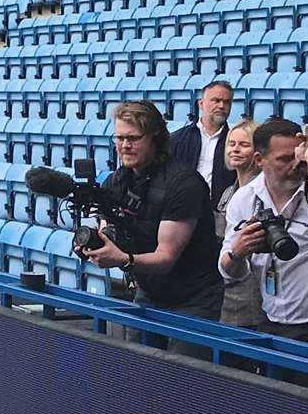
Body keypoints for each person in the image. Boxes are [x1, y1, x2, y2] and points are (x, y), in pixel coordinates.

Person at [80, 101, 222, 358]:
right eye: (120, 138)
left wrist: (124, 259)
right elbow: (107, 230)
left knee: (183, 380)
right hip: (149, 291)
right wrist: (93, 243)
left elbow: (166, 258)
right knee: (141, 373)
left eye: (133, 138)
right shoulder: (118, 180)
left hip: (193, 298)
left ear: (155, 138)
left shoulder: (183, 183)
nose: (125, 145)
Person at [220, 120, 308, 377]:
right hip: (269, 322)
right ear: (259, 160)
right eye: (283, 159)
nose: (294, 168)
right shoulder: (243, 200)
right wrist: (238, 252)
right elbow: (227, 270)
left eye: (297, 159)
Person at [212, 120, 263, 330]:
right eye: (231, 144)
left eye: (244, 144)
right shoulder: (227, 193)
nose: (235, 149)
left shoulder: (263, 194)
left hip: (254, 293)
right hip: (227, 289)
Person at [171, 80, 235, 199]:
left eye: (227, 102)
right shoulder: (178, 139)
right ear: (201, 104)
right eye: (216, 100)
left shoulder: (235, 143)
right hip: (183, 206)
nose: (221, 106)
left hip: (220, 211)